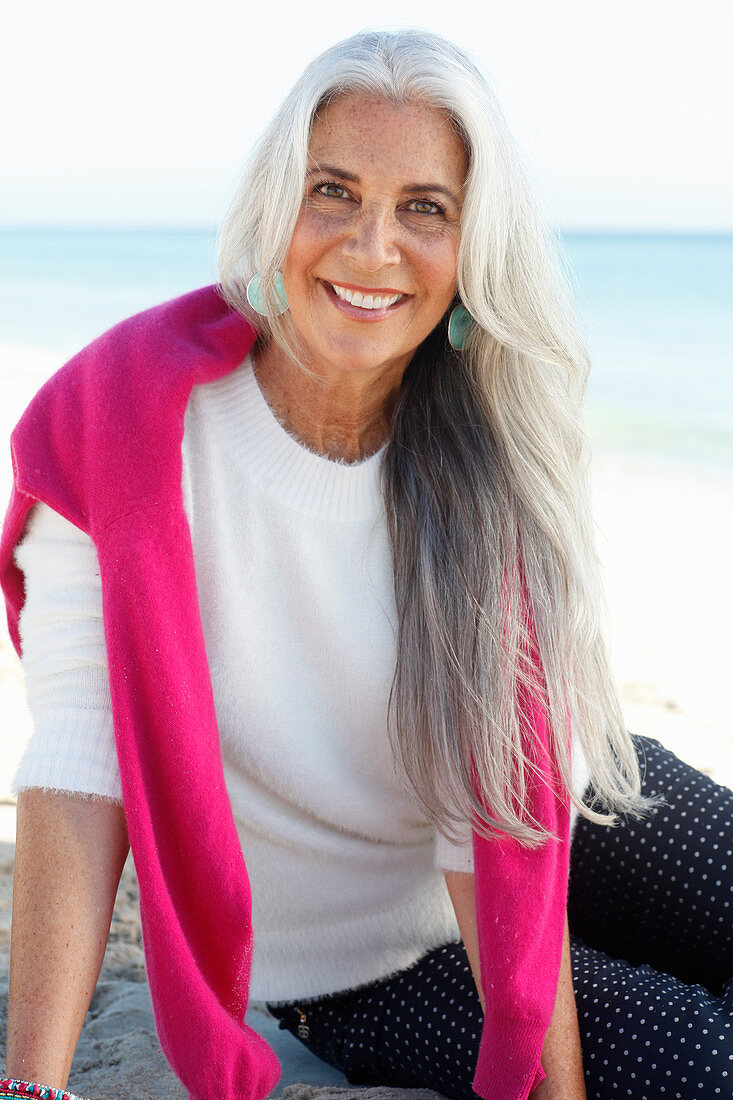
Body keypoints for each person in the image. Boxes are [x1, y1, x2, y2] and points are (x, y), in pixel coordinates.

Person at [1, 27, 731, 1100]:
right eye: (332, 190)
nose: (371, 244)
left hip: (553, 801)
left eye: (423, 207)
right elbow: (78, 751)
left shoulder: (485, 435)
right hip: (366, 956)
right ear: (275, 206)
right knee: (707, 1059)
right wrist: (33, 1085)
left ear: (471, 245)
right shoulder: (119, 419)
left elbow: (491, 800)